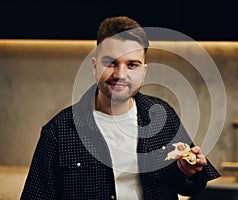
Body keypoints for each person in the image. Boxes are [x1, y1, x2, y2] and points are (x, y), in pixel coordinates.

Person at [21, 16, 220, 200]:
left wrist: (192, 172)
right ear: (94, 66)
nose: (120, 74)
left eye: (132, 65)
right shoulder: (59, 131)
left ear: (144, 71)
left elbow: (189, 187)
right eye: (110, 63)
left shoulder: (163, 116)